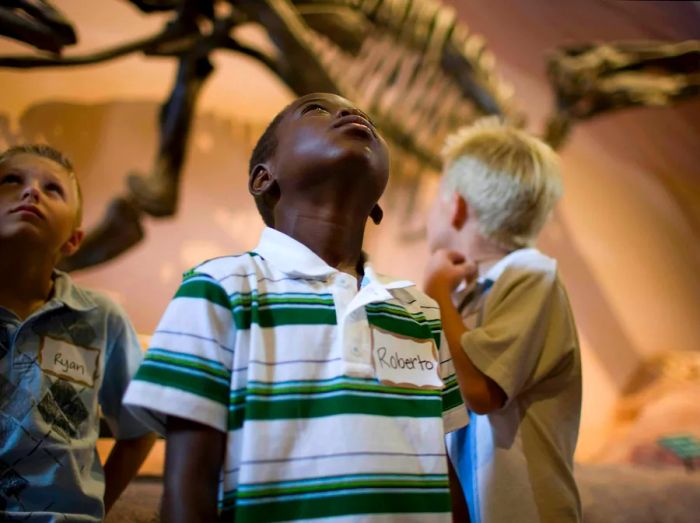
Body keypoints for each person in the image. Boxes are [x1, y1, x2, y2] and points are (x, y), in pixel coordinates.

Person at [124, 92, 469, 522]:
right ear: (263, 179)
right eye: (316, 110)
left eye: (368, 122)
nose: (351, 113)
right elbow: (187, 487)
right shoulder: (217, 290)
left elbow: (439, 467)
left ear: (377, 205)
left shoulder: (419, 313)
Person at [423, 118, 582, 523]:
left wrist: (435, 293)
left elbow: (482, 390)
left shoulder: (531, 275)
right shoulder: (467, 295)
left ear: (455, 205)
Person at [0, 144, 156, 520]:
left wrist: (97, 507)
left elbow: (141, 428)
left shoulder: (102, 318)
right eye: (11, 180)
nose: (31, 191)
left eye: (52, 188)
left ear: (73, 239)